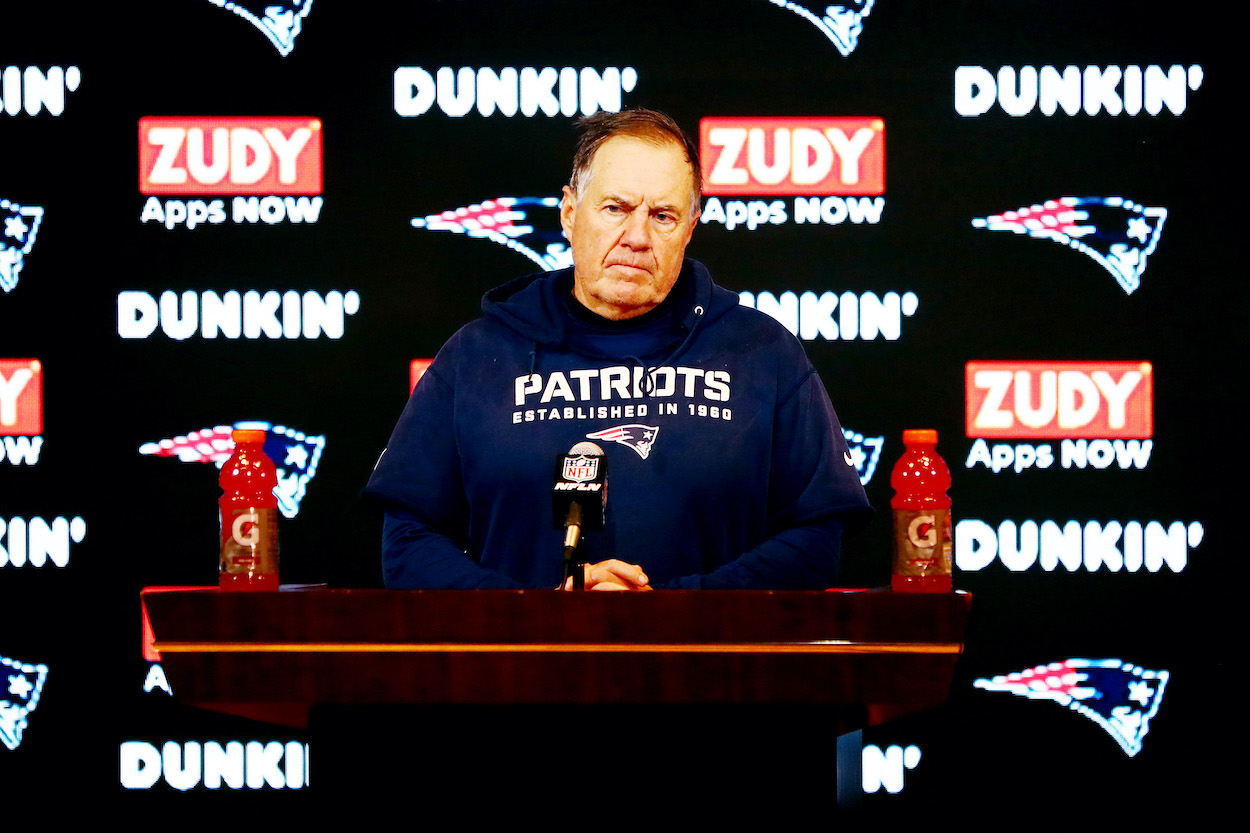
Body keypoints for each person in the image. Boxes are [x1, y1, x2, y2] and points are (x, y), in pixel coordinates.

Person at [364, 108, 871, 590]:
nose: (637, 236)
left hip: (708, 672)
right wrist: (540, 614)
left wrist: (670, 611)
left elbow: (816, 538)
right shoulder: (476, 355)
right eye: (615, 208)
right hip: (523, 672)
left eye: (663, 215)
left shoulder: (762, 352)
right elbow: (408, 541)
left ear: (691, 227)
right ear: (568, 212)